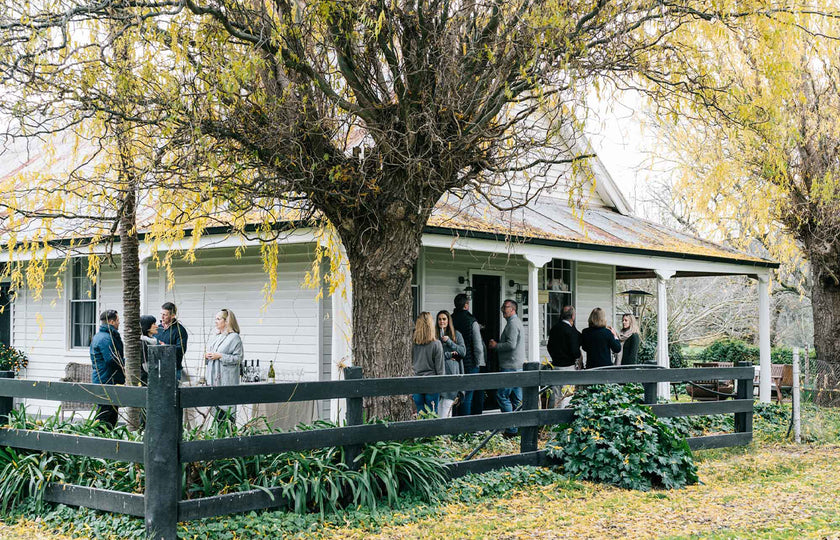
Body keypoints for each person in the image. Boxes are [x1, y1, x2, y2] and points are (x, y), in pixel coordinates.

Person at [488, 299, 525, 437]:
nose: (503, 309)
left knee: (502, 395)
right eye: (502, 307)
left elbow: (511, 345)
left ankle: (511, 429)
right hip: (517, 366)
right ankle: (519, 428)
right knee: (516, 399)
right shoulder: (513, 323)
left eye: (506, 307)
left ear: (513, 309)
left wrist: (495, 346)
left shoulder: (513, 324)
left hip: (510, 366)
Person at [204, 309, 244, 423]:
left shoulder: (234, 337)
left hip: (226, 380)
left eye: (218, 319)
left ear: (227, 321)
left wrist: (220, 356)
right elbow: (213, 354)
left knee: (226, 415)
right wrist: (208, 356)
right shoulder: (216, 337)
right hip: (213, 379)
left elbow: (238, 358)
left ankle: (228, 437)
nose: (215, 321)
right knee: (215, 415)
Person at [90, 309, 125, 428]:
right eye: (117, 320)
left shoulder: (102, 336)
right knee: (105, 414)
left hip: (105, 378)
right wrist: (128, 363)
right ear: (111, 322)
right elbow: (112, 359)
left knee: (111, 413)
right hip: (106, 380)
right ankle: (99, 439)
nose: (119, 323)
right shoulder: (105, 339)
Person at [452, 293, 486, 416]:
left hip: (453, 361)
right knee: (468, 395)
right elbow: (478, 346)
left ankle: (456, 424)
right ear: (466, 305)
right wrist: (478, 362)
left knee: (455, 395)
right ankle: (466, 429)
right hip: (470, 362)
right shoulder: (472, 321)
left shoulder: (450, 319)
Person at [545, 305, 581, 408]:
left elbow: (549, 346)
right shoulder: (571, 331)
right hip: (568, 366)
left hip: (556, 365)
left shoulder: (554, 329)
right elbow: (575, 351)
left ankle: (554, 421)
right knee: (567, 395)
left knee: (556, 395)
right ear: (573, 316)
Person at [411, 312, 444, 416]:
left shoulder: (413, 344)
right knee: (432, 414)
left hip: (416, 382)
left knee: (420, 414)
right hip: (432, 383)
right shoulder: (436, 344)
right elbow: (440, 369)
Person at [436, 310, 465, 418]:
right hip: (438, 374)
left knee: (447, 406)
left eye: (444, 319)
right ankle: (439, 434)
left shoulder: (456, 334)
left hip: (451, 373)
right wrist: (448, 354)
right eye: (439, 319)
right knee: (438, 407)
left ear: (448, 320)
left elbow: (462, 352)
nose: (441, 321)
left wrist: (449, 341)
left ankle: (446, 434)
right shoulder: (434, 335)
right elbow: (434, 356)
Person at [156, 302, 189, 382]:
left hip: (173, 370)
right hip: (157, 369)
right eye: (161, 314)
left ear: (173, 315)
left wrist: (167, 347)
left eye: (165, 315)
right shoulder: (158, 328)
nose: (162, 317)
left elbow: (181, 350)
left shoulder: (180, 330)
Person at [139, 315, 162, 385]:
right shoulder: (143, 343)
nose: (157, 326)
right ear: (147, 326)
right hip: (146, 382)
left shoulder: (151, 342)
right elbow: (146, 366)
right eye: (154, 324)